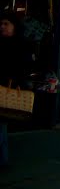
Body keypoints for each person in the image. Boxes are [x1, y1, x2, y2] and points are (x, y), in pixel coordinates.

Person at [0, 11, 32, 168]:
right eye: (1, 24)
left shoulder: (19, 45)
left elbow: (22, 68)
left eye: (7, 24)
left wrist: (16, 80)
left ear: (14, 26)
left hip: (7, 90)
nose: (3, 27)